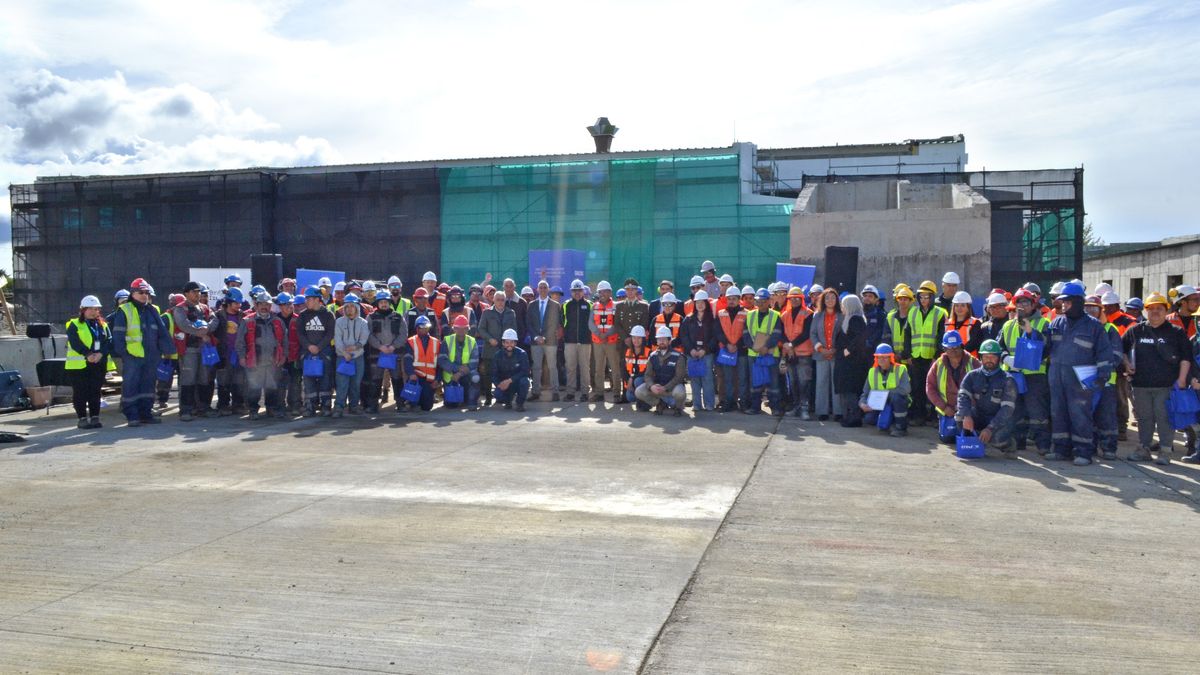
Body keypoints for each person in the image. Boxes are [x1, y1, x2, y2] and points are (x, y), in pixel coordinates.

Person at [1046, 282, 1113, 466]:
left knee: (1080, 415)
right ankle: (1060, 449)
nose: (1063, 305)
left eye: (1066, 301)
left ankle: (1083, 452)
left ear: (1077, 302)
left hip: (1080, 381)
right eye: (1062, 301)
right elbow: (1045, 348)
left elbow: (1104, 353)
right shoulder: (1056, 323)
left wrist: (1102, 375)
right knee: (1058, 413)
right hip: (1057, 378)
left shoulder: (1094, 326)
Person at [1122, 292, 1191, 465]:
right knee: (1144, 419)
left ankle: (1165, 452)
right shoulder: (1136, 330)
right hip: (1140, 385)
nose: (1155, 312)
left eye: (1159, 308)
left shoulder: (1176, 332)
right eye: (1151, 309)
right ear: (1145, 311)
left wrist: (1182, 379)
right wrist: (1126, 363)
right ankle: (1144, 449)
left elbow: (1186, 357)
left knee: (1164, 419)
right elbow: (1121, 349)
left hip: (1166, 386)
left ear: (1166, 310)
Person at [111, 278, 173, 426]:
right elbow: (118, 336)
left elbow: (161, 332)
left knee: (149, 385)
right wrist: (125, 353)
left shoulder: (153, 310)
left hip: (151, 356)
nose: (144, 295)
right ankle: (132, 415)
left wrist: (166, 350)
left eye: (146, 292)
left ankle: (146, 413)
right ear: (132, 293)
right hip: (132, 356)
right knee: (131, 385)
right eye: (141, 292)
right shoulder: (125, 310)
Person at [998, 288, 1052, 454]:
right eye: (1019, 302)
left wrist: (1030, 331)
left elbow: (1047, 348)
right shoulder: (1007, 325)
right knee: (1015, 411)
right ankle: (1017, 442)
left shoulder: (1043, 323)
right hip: (1013, 375)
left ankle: (1043, 445)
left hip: (1035, 376)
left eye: (1026, 302)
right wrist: (1006, 358)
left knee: (1038, 412)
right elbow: (998, 347)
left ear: (1033, 304)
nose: (1022, 306)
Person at [956, 340, 1019, 458]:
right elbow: (962, 397)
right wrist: (967, 415)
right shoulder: (972, 376)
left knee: (996, 439)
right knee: (960, 416)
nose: (989, 360)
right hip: (980, 415)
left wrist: (990, 428)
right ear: (981, 357)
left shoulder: (1008, 380)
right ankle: (978, 441)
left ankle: (1009, 444)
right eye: (986, 356)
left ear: (999, 358)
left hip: (1000, 420)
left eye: (993, 356)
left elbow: (1007, 410)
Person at [236, 292, 286, 420]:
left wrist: (284, 355)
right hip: (254, 361)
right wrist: (242, 357)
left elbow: (284, 341)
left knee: (272, 387)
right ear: (256, 305)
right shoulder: (247, 321)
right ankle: (253, 410)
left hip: (273, 361)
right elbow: (240, 341)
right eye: (261, 304)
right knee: (254, 388)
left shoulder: (278, 321)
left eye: (267, 304)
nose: (264, 307)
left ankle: (271, 408)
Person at [66, 295, 114, 429]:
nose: (94, 312)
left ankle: (94, 417)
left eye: (96, 309)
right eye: (90, 309)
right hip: (79, 365)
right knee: (80, 392)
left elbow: (109, 341)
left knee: (95, 391)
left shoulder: (103, 325)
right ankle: (82, 418)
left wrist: (100, 353)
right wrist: (87, 354)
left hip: (98, 363)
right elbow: (75, 342)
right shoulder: (74, 324)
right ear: (83, 310)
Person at [905, 281, 948, 426]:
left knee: (935, 387)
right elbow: (908, 334)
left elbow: (941, 336)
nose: (924, 300)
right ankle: (919, 416)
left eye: (927, 297)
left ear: (932, 297)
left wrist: (937, 356)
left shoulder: (941, 313)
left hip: (932, 357)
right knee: (917, 388)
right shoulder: (913, 312)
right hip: (916, 356)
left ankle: (935, 417)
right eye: (921, 297)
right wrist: (908, 355)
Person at [926, 331, 980, 444]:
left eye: (956, 347)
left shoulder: (973, 362)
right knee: (947, 439)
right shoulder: (938, 364)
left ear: (961, 346)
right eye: (949, 348)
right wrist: (944, 407)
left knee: (969, 437)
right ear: (944, 349)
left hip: (968, 410)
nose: (953, 351)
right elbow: (930, 387)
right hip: (946, 409)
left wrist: (966, 409)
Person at [365, 290, 408, 414]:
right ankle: (373, 405)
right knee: (376, 380)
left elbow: (403, 334)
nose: (384, 304)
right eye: (381, 302)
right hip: (377, 354)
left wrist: (393, 346)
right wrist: (380, 346)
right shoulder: (371, 317)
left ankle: (400, 403)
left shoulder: (398, 317)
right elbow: (368, 335)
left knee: (397, 379)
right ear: (377, 303)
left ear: (389, 302)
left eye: (386, 302)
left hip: (394, 354)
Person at [742, 288, 784, 416]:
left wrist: (765, 347)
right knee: (755, 383)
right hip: (754, 354)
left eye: (763, 301)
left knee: (773, 383)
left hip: (771, 354)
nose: (761, 304)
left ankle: (775, 408)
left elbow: (777, 334)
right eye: (758, 301)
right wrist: (754, 347)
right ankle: (755, 407)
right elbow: (745, 335)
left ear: (769, 301)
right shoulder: (749, 315)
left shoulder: (776, 315)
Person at [296, 287, 335, 416]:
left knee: (325, 380)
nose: (306, 301)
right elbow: (300, 334)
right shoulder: (302, 315)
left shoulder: (328, 315)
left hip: (324, 353)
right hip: (307, 353)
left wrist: (319, 347)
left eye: (309, 299)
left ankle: (326, 406)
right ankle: (310, 406)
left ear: (318, 299)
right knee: (308, 381)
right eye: (306, 299)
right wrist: (309, 346)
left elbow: (330, 333)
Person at [834, 294, 871, 427]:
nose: (842, 307)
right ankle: (848, 416)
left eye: (844, 304)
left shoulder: (856, 319)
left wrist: (848, 350)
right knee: (845, 389)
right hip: (846, 362)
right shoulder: (849, 318)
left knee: (850, 390)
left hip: (852, 363)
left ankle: (854, 417)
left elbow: (860, 337)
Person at [859, 344, 911, 437]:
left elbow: (906, 389)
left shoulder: (901, 369)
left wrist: (886, 395)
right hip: (880, 405)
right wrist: (862, 404)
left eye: (885, 357)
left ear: (891, 358)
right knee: (868, 419)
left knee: (896, 398)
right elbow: (865, 394)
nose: (881, 360)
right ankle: (888, 423)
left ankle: (900, 427)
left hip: (897, 402)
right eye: (879, 357)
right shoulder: (872, 372)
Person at [680, 290, 718, 411]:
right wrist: (691, 350)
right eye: (697, 302)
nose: (700, 305)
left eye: (702, 302)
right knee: (695, 379)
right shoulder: (688, 319)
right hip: (692, 354)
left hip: (706, 354)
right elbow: (684, 336)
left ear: (706, 303)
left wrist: (705, 350)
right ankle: (696, 405)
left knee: (707, 379)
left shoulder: (712, 320)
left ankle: (709, 404)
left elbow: (714, 337)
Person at [478, 292, 517, 406]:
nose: (500, 302)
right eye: (498, 299)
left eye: (502, 300)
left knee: (505, 374)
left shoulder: (511, 313)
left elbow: (514, 330)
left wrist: (509, 343)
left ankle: (503, 396)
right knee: (488, 374)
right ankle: (488, 398)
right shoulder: (486, 312)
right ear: (493, 300)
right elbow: (481, 329)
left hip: (506, 349)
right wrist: (489, 339)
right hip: (490, 349)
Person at [636, 326, 687, 415]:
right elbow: (648, 375)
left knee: (679, 392)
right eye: (659, 339)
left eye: (664, 339)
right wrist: (651, 386)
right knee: (639, 391)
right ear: (657, 341)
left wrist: (666, 387)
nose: (661, 341)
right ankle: (659, 403)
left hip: (672, 388)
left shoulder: (678, 356)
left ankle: (677, 407)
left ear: (669, 340)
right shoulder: (653, 356)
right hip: (657, 388)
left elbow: (679, 377)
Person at [780, 287, 814, 418]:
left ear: (802, 299)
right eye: (791, 298)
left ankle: (804, 408)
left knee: (804, 382)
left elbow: (806, 333)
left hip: (804, 354)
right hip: (789, 354)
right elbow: (782, 333)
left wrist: (791, 345)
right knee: (793, 382)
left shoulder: (808, 314)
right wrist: (787, 346)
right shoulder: (784, 315)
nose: (794, 300)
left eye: (797, 298)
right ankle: (796, 407)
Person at [332, 294, 369, 417]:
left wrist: (354, 348)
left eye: (352, 306)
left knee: (355, 383)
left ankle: (354, 406)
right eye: (347, 307)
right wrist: (344, 353)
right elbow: (338, 340)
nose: (349, 309)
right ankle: (339, 407)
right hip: (342, 358)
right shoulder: (339, 322)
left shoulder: (363, 322)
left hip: (358, 357)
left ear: (357, 307)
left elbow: (363, 339)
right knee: (342, 383)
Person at [526, 279, 561, 402]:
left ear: (548, 289)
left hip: (550, 341)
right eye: (540, 287)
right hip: (535, 342)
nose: (542, 289)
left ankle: (555, 391)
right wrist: (536, 337)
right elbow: (528, 323)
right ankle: (535, 391)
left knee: (552, 366)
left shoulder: (555, 305)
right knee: (536, 367)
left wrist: (544, 337)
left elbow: (555, 323)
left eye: (544, 287)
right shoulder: (531, 305)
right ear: (537, 289)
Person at [810, 287, 841, 420]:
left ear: (837, 300)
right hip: (820, 354)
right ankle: (822, 411)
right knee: (821, 383)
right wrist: (821, 349)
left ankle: (838, 412)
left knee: (836, 383)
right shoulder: (817, 315)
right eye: (827, 298)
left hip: (836, 354)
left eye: (833, 298)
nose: (830, 300)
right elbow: (813, 333)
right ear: (823, 300)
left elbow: (844, 334)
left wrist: (836, 349)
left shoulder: (842, 315)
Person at [717, 285, 748, 413]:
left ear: (739, 299)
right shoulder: (721, 313)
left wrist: (737, 345)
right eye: (729, 298)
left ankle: (744, 403)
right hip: (726, 350)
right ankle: (729, 402)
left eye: (734, 298)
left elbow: (747, 332)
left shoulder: (747, 313)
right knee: (728, 379)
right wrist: (727, 344)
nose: (731, 301)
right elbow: (717, 331)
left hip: (741, 351)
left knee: (742, 378)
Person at [589, 280, 622, 403]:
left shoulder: (615, 306)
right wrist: (599, 334)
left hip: (611, 341)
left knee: (615, 368)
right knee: (599, 368)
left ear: (610, 292)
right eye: (600, 291)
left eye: (605, 291)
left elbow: (616, 323)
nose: (602, 293)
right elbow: (590, 323)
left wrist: (607, 334)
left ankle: (617, 393)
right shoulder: (594, 306)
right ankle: (599, 393)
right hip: (598, 341)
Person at [439, 314, 480, 410]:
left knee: (476, 378)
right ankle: (457, 399)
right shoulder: (447, 340)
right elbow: (442, 360)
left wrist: (460, 373)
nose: (461, 331)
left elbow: (474, 361)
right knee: (451, 405)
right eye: (458, 328)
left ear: (467, 329)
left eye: (464, 328)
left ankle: (471, 402)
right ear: (454, 329)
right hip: (451, 375)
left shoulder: (472, 341)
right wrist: (457, 369)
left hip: (466, 373)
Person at [561, 279, 592, 401]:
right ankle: (570, 392)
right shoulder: (566, 305)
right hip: (570, 342)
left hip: (585, 342)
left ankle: (585, 393)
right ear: (571, 292)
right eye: (574, 290)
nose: (577, 293)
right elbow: (562, 322)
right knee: (570, 367)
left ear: (583, 291)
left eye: (579, 290)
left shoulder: (589, 305)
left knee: (585, 368)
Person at [401, 315, 439, 412]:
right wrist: (411, 374)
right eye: (422, 327)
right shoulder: (410, 341)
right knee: (414, 401)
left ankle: (422, 399)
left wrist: (438, 380)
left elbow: (440, 364)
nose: (425, 329)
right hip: (416, 377)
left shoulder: (436, 343)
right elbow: (408, 359)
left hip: (430, 380)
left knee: (427, 407)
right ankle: (410, 402)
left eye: (427, 327)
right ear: (417, 328)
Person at [275, 292, 303, 417]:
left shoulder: (298, 319)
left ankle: (295, 405)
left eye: (291, 303)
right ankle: (280, 406)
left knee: (295, 382)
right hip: (279, 357)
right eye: (286, 304)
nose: (289, 306)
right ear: (280, 306)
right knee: (280, 383)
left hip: (295, 356)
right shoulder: (274, 320)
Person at [492, 328, 530, 411]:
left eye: (512, 342)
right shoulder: (497, 356)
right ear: (503, 343)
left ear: (515, 343)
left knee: (525, 382)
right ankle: (507, 401)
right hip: (504, 384)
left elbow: (525, 371)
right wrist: (499, 384)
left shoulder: (522, 354)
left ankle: (520, 403)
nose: (509, 345)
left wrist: (509, 380)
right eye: (507, 342)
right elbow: (494, 374)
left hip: (517, 383)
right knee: (497, 394)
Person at [623, 325, 652, 410]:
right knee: (629, 397)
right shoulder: (628, 352)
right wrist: (628, 381)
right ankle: (641, 400)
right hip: (633, 382)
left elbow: (648, 371)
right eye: (634, 338)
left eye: (639, 338)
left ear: (643, 339)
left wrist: (632, 379)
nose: (636, 340)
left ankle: (644, 403)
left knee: (637, 380)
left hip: (644, 381)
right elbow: (624, 370)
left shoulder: (649, 352)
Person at [860, 285, 886, 350]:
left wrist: (869, 343)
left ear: (876, 299)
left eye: (870, 296)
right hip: (858, 352)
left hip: (874, 352)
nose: (867, 298)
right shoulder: (858, 314)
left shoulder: (881, 315)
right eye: (865, 296)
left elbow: (881, 332)